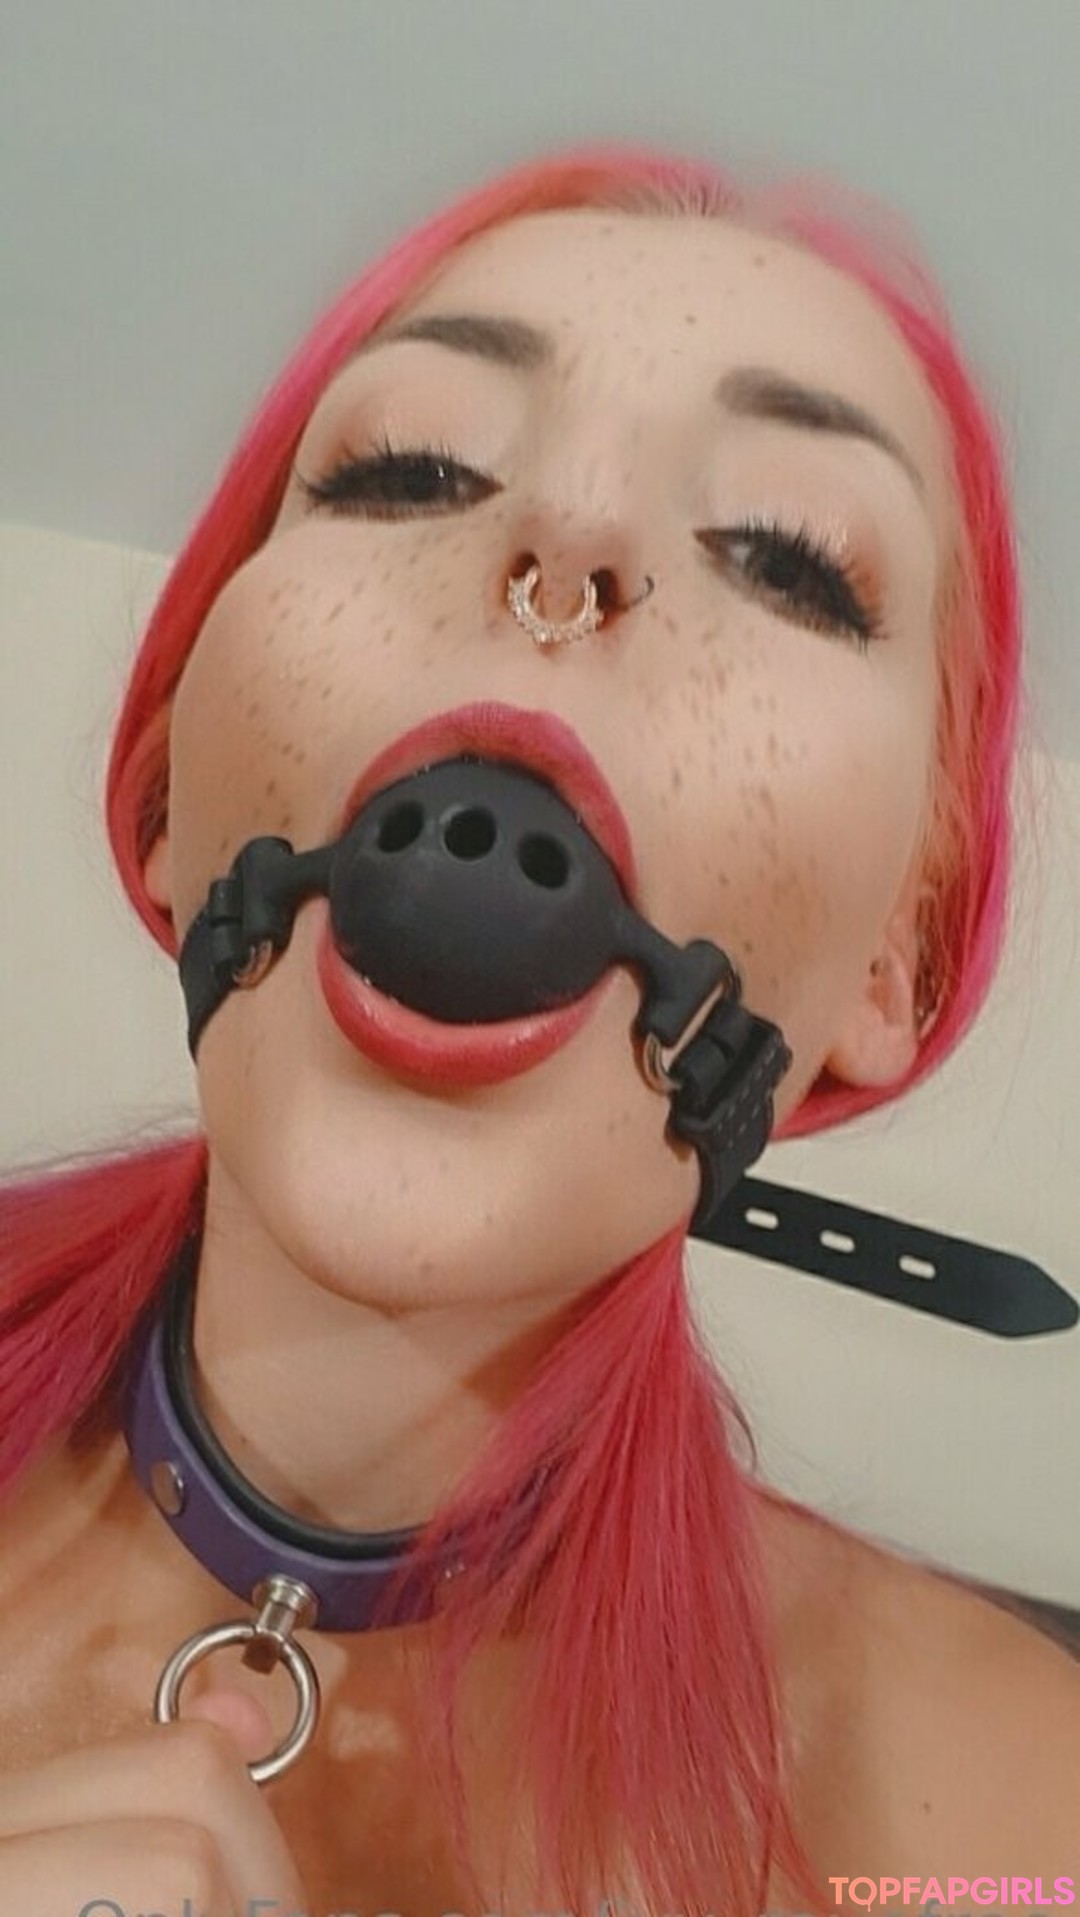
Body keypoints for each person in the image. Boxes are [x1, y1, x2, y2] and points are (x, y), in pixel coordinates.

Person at [0, 143, 1076, 1917]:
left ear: (899, 958)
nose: (569, 539)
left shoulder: (1026, 1834)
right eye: (411, 466)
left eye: (792, 560)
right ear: (173, 796)